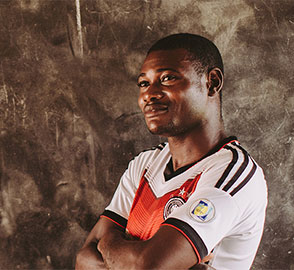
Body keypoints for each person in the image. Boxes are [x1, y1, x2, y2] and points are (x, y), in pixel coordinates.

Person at [75, 33, 267, 269]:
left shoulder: (234, 173)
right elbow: (84, 260)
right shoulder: (145, 164)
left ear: (212, 83)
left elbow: (149, 265)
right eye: (144, 83)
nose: (149, 94)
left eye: (168, 78)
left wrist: (108, 243)